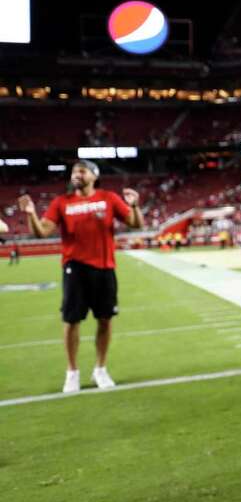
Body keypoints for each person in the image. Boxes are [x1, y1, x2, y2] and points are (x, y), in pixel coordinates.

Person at [17, 160, 143, 392]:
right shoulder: (61, 202)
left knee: (105, 319)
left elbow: (136, 224)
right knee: (71, 320)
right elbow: (42, 231)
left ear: (94, 176)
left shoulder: (108, 198)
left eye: (81, 171)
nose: (76, 174)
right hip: (75, 268)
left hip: (105, 267)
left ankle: (100, 369)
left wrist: (134, 206)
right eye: (74, 171)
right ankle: (72, 372)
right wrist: (31, 214)